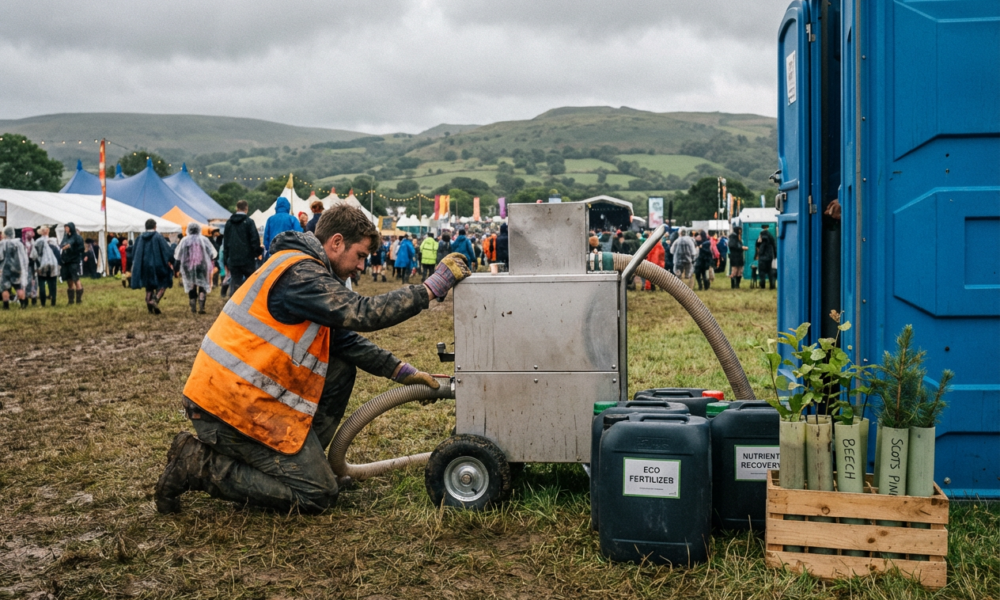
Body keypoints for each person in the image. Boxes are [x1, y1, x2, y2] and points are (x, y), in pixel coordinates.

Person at [153, 204, 472, 515]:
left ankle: (301, 465)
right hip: (225, 408)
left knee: (341, 369)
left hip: (242, 397)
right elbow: (362, 312)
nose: (361, 266)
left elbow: (343, 340)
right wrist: (430, 289)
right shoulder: (301, 274)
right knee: (317, 494)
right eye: (360, 255)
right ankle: (196, 464)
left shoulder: (304, 269)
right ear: (336, 242)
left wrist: (403, 372)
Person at [131, 219, 174, 314]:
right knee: (163, 282)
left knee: (149, 286)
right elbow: (166, 250)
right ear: (155, 226)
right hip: (158, 265)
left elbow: (134, 252)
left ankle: (149, 303)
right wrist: (172, 260)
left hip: (144, 266)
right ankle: (155, 299)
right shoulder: (158, 237)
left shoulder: (140, 238)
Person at [175, 222, 218, 314]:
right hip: (202, 266)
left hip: (188, 267)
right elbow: (212, 253)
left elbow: (178, 255)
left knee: (191, 285)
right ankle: (202, 306)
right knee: (202, 285)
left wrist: (177, 267)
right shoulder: (204, 240)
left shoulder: (184, 241)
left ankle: (193, 306)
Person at [223, 200, 262, 295]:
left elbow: (226, 242)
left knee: (236, 282)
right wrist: (258, 252)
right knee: (250, 283)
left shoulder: (229, 223)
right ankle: (248, 301)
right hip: (247, 259)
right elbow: (254, 240)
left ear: (237, 208)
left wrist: (226, 259)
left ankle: (235, 300)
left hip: (233, 259)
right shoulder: (249, 222)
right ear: (246, 209)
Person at [31, 226, 60, 307]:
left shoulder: (38, 241)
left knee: (42, 284)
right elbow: (58, 253)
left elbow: (34, 255)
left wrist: (36, 265)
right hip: (53, 265)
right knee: (53, 284)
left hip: (42, 265)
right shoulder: (53, 241)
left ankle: (43, 303)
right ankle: (53, 302)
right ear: (48, 231)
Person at [0, 226, 27, 309]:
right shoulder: (19, 244)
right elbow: (24, 257)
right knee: (18, 286)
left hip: (5, 268)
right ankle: (23, 304)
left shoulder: (2, 244)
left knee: (5, 287)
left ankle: (6, 305)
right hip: (17, 269)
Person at [60, 222, 85, 305]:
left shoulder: (78, 238)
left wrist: (71, 248)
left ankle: (78, 299)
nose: (66, 229)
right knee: (69, 279)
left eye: (67, 227)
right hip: (66, 261)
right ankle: (70, 300)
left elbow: (81, 249)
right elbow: (61, 245)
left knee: (75, 278)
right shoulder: (65, 237)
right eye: (65, 228)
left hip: (74, 261)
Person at [20, 228, 39, 306]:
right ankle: (25, 298)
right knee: (24, 282)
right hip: (23, 265)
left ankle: (33, 297)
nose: (30, 234)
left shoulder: (33, 242)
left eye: (31, 233)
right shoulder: (21, 243)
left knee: (33, 281)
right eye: (28, 233)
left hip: (32, 264)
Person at [756, 224, 777, 290]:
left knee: (762, 271)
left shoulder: (760, 238)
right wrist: (775, 255)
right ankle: (772, 285)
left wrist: (757, 254)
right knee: (770, 271)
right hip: (769, 257)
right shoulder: (771, 237)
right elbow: (774, 246)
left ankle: (762, 285)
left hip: (762, 257)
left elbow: (757, 245)